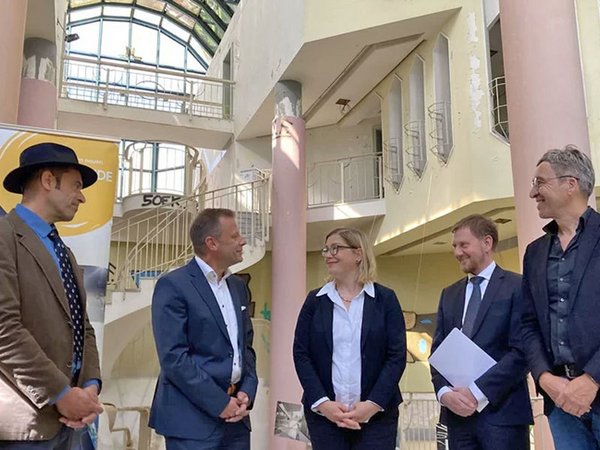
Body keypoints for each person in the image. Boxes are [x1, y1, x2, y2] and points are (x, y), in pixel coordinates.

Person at [0, 142, 103, 447]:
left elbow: (83, 327)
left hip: (69, 425)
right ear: (48, 181)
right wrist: (60, 393)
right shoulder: (5, 236)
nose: (82, 197)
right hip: (25, 425)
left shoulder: (64, 252)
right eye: (76, 185)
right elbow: (4, 329)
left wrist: (90, 386)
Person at [149, 208, 258, 450]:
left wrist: (246, 393)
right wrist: (220, 403)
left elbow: (245, 349)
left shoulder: (238, 287)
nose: (243, 241)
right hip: (191, 422)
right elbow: (173, 358)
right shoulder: (173, 286)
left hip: (237, 422)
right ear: (212, 243)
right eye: (235, 236)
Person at [293, 227, 406, 450]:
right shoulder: (315, 301)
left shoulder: (385, 299)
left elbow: (396, 356)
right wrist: (323, 404)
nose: (328, 254)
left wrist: (372, 405)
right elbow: (301, 354)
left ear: (358, 254)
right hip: (325, 418)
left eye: (336, 248)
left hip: (377, 417)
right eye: (326, 249)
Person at [430, 215, 532, 449]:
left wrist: (476, 393)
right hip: (455, 419)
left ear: (487, 243)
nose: (457, 252)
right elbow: (438, 352)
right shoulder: (449, 294)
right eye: (454, 246)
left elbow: (522, 351)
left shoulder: (517, 287)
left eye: (464, 245)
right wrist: (444, 393)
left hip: (503, 416)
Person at [522, 145, 600, 449]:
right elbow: (528, 324)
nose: (533, 193)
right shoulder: (535, 253)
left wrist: (591, 379)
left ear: (571, 185)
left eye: (540, 182)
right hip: (560, 403)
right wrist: (544, 378)